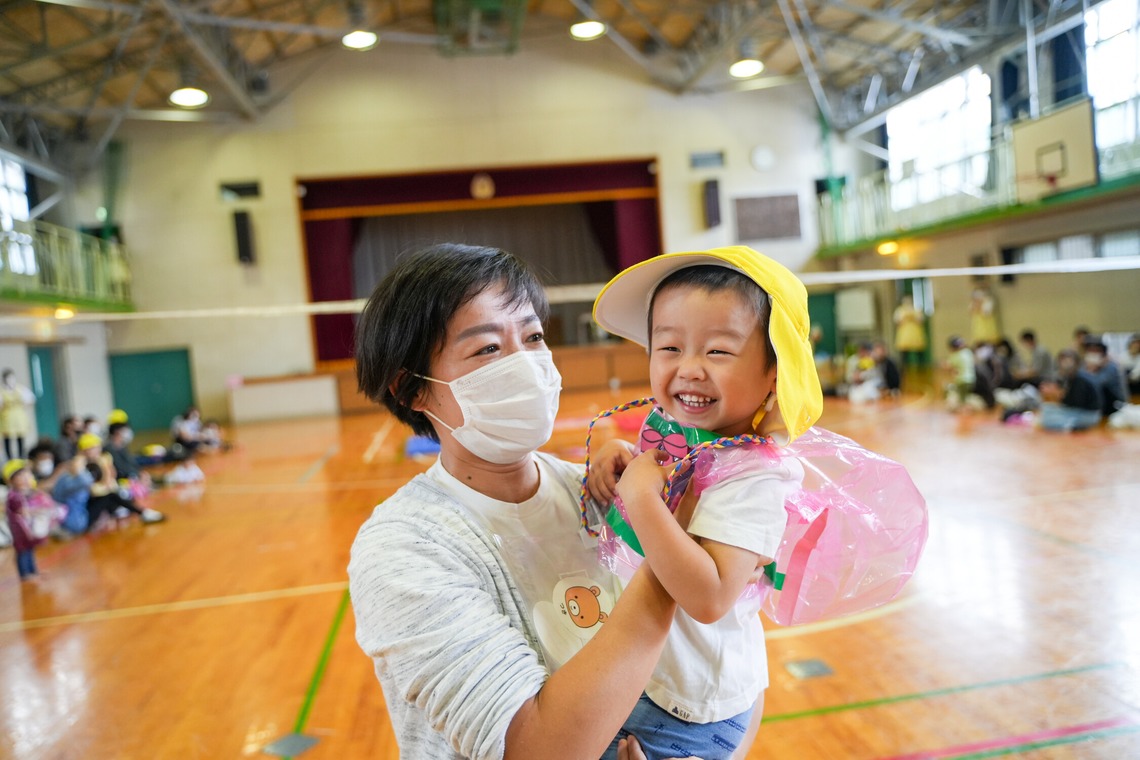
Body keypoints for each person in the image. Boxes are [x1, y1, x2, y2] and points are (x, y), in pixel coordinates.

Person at [347, 243, 682, 760]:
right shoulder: (403, 549)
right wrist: (672, 571)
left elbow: (725, 680)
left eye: (532, 337)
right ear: (412, 389)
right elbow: (535, 749)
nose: (525, 364)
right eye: (487, 350)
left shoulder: (601, 491)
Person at [588, 246, 823, 760]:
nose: (689, 368)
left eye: (718, 351)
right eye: (669, 348)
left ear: (772, 375)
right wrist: (621, 465)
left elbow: (710, 597)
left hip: (687, 708)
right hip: (643, 675)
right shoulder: (679, 436)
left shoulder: (756, 474)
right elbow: (645, 528)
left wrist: (642, 498)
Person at [77, 433, 166, 529]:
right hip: (85, 512)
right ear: (85, 450)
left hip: (99, 500)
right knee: (111, 496)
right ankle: (142, 513)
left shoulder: (100, 460)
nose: (98, 450)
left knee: (118, 496)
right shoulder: (80, 466)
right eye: (94, 448)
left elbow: (111, 477)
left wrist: (105, 465)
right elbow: (94, 491)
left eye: (98, 447)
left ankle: (139, 512)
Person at [1039, 349, 1103, 432]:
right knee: (1047, 409)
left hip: (1088, 415)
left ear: (1076, 363)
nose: (1065, 364)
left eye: (1068, 360)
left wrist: (1060, 399)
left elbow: (1077, 403)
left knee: (1048, 418)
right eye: (1062, 360)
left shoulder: (1081, 379)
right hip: (1078, 411)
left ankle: (1069, 426)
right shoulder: (1069, 377)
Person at [1081, 336, 1128, 417]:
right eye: (1090, 350)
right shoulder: (1084, 365)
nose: (1093, 353)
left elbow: (1096, 384)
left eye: (1096, 350)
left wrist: (1093, 370)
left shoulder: (1111, 366)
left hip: (1115, 404)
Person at [0, 369, 36, 460]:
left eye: (12, 378)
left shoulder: (20, 389)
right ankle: (10, 458)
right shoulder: (2, 391)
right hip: (7, 416)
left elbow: (31, 399)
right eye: (8, 378)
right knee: (7, 437)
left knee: (20, 436)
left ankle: (21, 456)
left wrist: (22, 405)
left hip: (19, 415)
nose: (10, 380)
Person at [944, 336, 977, 411]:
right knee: (967, 396)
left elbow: (949, 366)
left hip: (961, 380)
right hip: (972, 378)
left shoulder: (955, 356)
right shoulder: (968, 352)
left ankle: (965, 412)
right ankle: (968, 407)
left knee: (962, 399)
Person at [892, 295, 926, 366]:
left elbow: (921, 321)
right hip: (904, 333)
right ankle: (904, 366)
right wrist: (905, 318)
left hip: (915, 333)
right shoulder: (899, 310)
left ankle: (921, 366)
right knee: (904, 352)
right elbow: (897, 322)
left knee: (919, 351)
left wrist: (913, 318)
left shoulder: (917, 310)